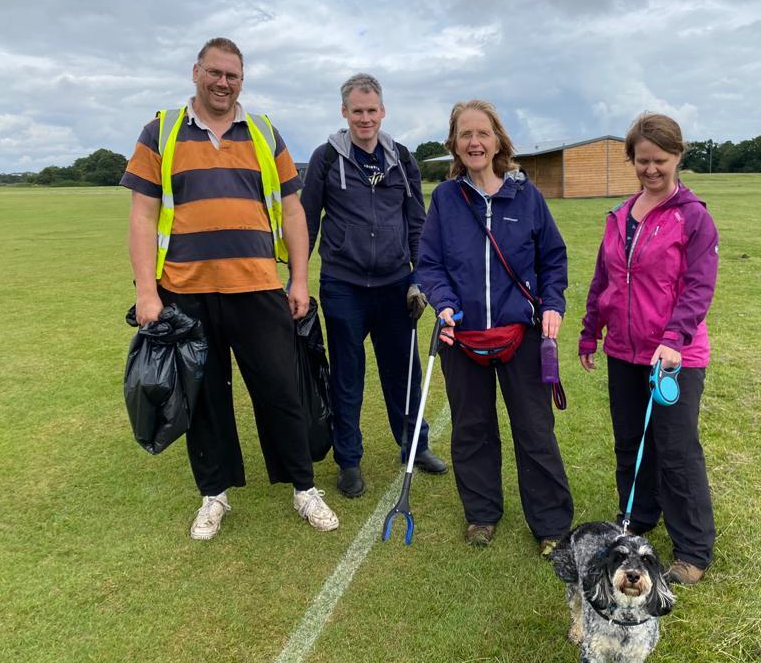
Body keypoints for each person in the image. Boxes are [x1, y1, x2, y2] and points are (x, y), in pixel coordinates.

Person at [121, 37, 339, 540]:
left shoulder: (264, 131)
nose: (223, 83)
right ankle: (214, 495)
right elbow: (142, 215)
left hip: (258, 287)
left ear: (242, 79)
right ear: (196, 72)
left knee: (281, 391)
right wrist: (147, 292)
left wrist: (300, 277)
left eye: (232, 75)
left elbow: (292, 209)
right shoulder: (161, 131)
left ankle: (304, 489)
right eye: (214, 73)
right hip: (185, 292)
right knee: (204, 400)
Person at [417, 99, 574, 558]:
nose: (474, 142)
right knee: (472, 429)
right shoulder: (445, 200)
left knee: (534, 430)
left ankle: (550, 524)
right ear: (455, 144)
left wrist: (553, 304)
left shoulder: (526, 198)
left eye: (482, 133)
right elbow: (430, 264)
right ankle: (481, 514)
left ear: (498, 140)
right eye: (465, 134)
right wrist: (443, 304)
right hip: (462, 337)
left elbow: (553, 259)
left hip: (520, 335)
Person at [578, 112, 719, 585]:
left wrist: (674, 339)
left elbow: (698, 287)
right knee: (629, 442)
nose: (651, 169)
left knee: (675, 449)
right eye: (642, 161)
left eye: (660, 160)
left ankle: (693, 548)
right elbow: (605, 278)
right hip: (623, 350)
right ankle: (638, 516)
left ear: (678, 157)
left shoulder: (693, 217)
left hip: (674, 357)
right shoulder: (619, 216)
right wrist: (589, 329)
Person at [300, 73, 447, 499]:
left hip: (395, 286)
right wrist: (296, 280)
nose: (365, 118)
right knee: (347, 376)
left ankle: (415, 446)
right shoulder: (326, 158)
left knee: (404, 374)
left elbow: (418, 224)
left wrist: (419, 278)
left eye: (372, 110)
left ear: (382, 111)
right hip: (343, 286)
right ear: (344, 112)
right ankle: (349, 461)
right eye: (357, 111)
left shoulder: (402, 158)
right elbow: (307, 221)